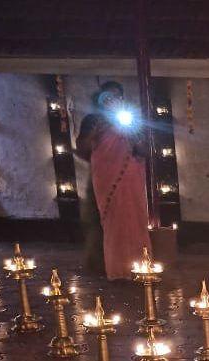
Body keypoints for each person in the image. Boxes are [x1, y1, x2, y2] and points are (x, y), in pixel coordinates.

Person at [76, 81, 152, 280]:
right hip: (105, 177)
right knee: (111, 224)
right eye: (108, 98)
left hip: (131, 177)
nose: (113, 101)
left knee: (135, 221)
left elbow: (144, 150)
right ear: (100, 100)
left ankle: (140, 267)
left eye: (117, 97)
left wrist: (131, 132)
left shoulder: (131, 118)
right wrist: (94, 133)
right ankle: (117, 270)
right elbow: (82, 149)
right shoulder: (93, 121)